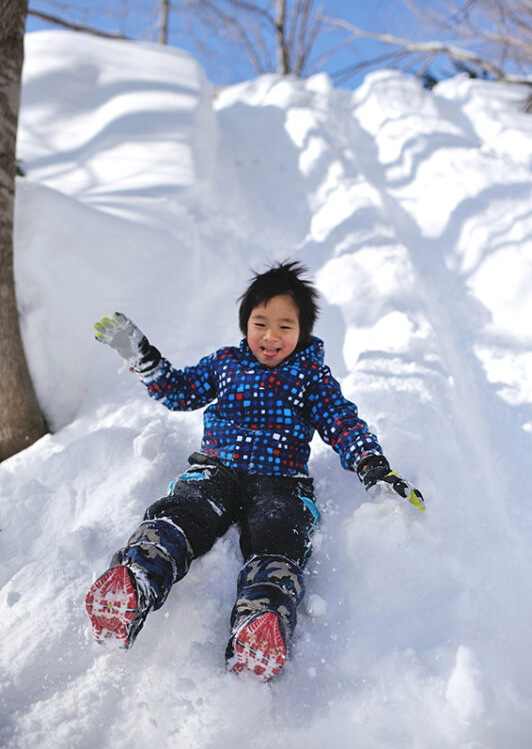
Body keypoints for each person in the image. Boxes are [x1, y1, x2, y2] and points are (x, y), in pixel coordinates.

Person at [85, 261, 424, 681]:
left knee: (279, 535)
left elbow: (341, 421)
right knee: (184, 511)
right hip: (217, 469)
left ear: (304, 332)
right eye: (260, 323)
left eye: (285, 326)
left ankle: (261, 622)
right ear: (245, 324)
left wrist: (373, 467)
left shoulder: (309, 375)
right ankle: (134, 584)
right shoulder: (227, 363)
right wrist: (144, 358)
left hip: (280, 481)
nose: (270, 336)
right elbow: (181, 391)